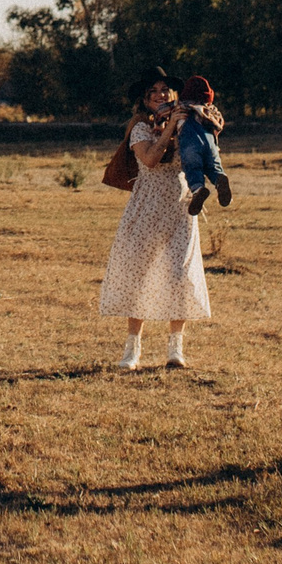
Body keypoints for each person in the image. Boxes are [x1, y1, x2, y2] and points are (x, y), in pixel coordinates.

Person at [98, 68, 216, 368]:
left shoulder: (187, 120)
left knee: (180, 275)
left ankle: (175, 347)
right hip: (146, 209)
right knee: (139, 275)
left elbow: (204, 151)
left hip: (180, 206)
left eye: (165, 89)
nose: (161, 94)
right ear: (145, 99)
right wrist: (168, 129)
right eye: (153, 91)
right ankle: (132, 348)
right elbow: (150, 159)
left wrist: (209, 124)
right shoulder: (140, 128)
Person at [176, 74, 232, 216]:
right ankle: (219, 178)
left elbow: (162, 113)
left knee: (193, 167)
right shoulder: (210, 110)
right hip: (209, 141)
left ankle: (198, 189)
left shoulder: (181, 106)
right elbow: (220, 123)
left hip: (190, 141)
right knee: (212, 165)